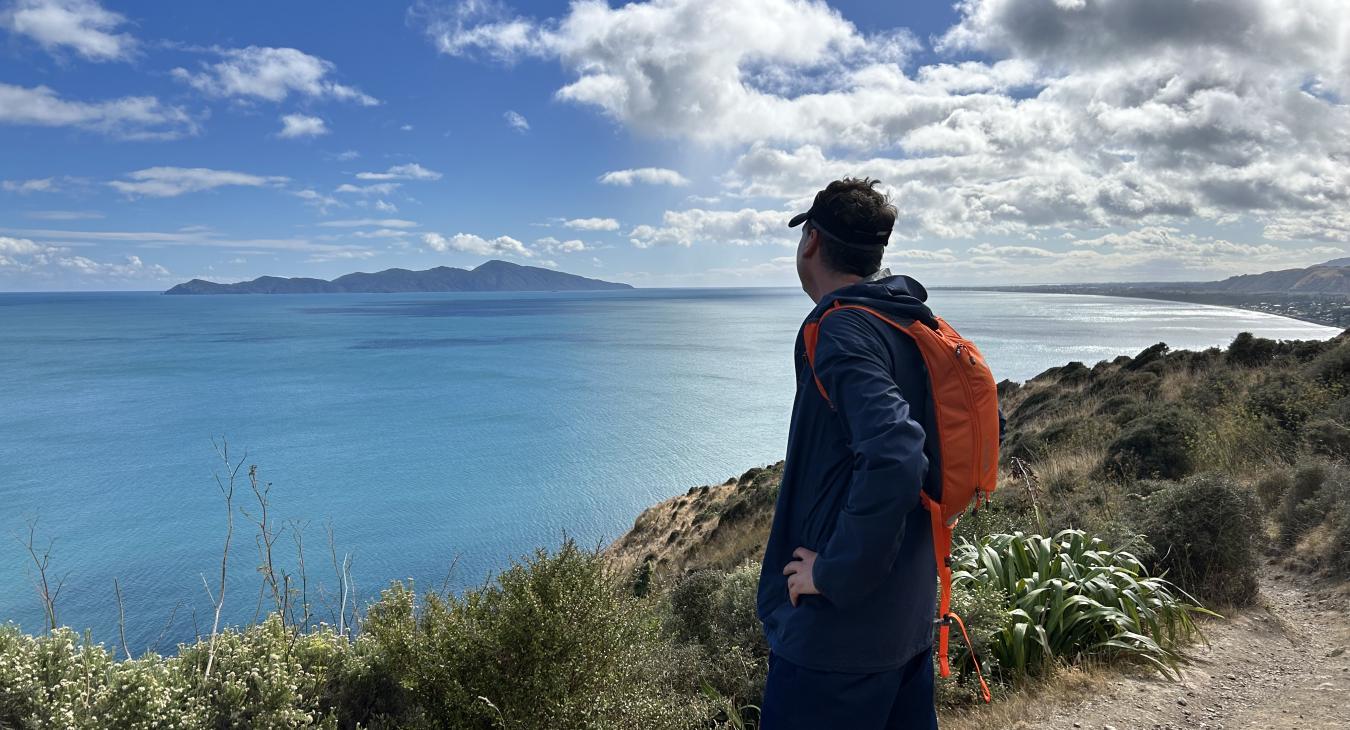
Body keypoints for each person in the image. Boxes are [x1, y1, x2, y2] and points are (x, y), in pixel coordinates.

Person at [756, 177, 941, 729]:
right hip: (905, 622)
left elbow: (898, 453)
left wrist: (836, 573)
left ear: (810, 241)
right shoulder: (908, 322)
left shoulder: (841, 329)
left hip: (837, 645)